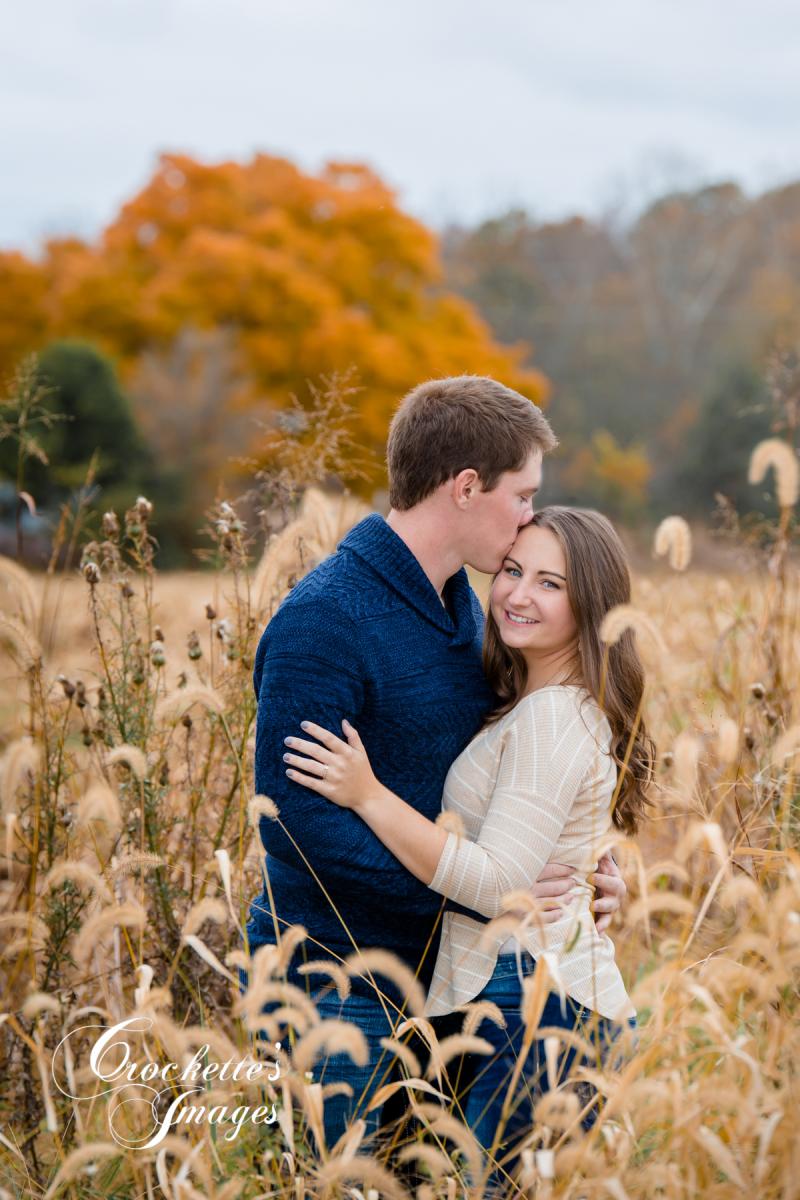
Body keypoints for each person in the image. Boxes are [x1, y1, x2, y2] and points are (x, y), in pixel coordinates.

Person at [246, 376, 628, 1152]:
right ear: (465, 487)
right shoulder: (325, 619)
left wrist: (581, 864)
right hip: (336, 980)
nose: (529, 516)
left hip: (453, 987)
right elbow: (299, 824)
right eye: (522, 494)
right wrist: (486, 895)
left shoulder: (466, 603)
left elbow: (527, 763)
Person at [285, 506, 654, 1188]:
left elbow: (498, 884)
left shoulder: (551, 717)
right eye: (513, 570)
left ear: (592, 603)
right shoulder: (534, 702)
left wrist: (368, 795)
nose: (516, 593)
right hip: (516, 1003)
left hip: (540, 1009)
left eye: (551, 583)